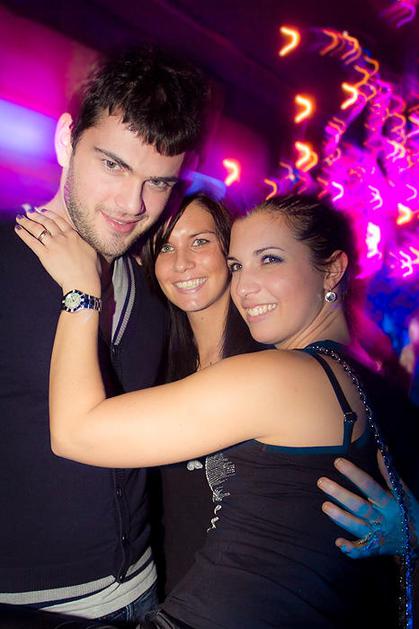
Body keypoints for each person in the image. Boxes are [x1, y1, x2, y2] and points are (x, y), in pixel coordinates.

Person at [15, 194, 418, 627]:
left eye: (270, 259)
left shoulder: (280, 376)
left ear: (333, 270)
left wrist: (81, 290)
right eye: (238, 265)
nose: (245, 286)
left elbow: (76, 432)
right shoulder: (356, 373)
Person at [0, 46, 208, 625]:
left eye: (157, 182)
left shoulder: (151, 293)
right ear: (67, 140)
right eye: (113, 165)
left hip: (145, 590)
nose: (131, 204)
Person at [142, 192, 262, 595]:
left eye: (199, 241)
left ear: (230, 250)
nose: (181, 263)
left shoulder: (271, 363)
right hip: (179, 596)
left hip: (255, 601)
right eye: (165, 247)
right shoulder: (156, 366)